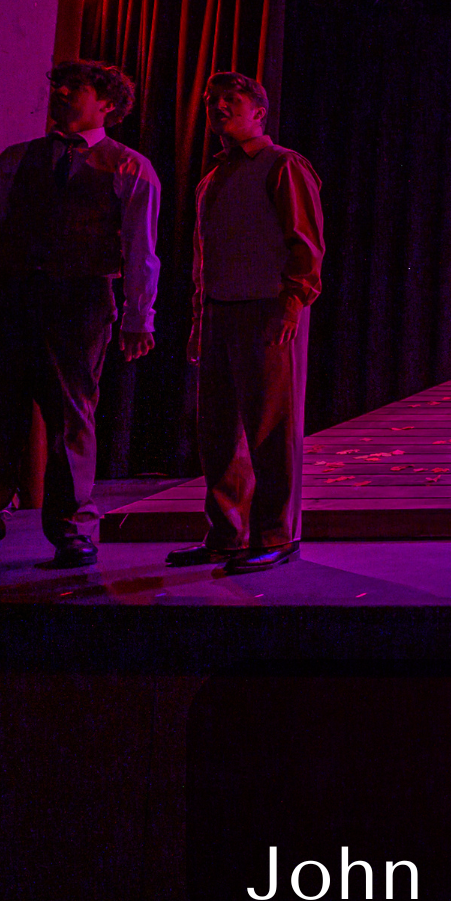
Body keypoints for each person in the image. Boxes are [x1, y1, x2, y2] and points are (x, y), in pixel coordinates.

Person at [0, 61, 160, 579]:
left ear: (108, 105)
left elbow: (142, 250)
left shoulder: (129, 167)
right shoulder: (18, 159)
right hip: (11, 295)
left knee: (71, 417)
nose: (62, 93)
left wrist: (141, 316)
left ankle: (72, 529)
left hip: (79, 300)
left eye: (77, 88)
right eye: (58, 86)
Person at [166, 73, 325, 573]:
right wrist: (199, 318)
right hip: (219, 311)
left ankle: (275, 534)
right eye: (212, 100)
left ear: (259, 111)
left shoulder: (282, 165)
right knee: (218, 430)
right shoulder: (213, 177)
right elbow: (203, 257)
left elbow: (305, 242)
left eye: (230, 100)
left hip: (265, 308)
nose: (218, 107)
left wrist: (293, 303)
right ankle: (227, 534)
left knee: (269, 428)